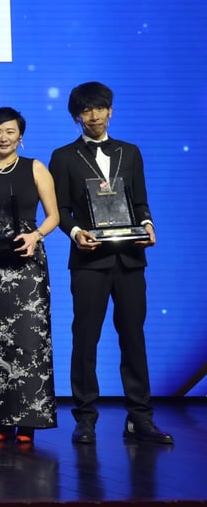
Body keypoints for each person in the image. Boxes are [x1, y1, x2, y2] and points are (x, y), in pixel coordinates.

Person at [48, 82, 172, 445]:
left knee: (133, 337)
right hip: (89, 261)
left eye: (100, 108)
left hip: (130, 258)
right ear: (76, 116)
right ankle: (85, 418)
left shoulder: (129, 152)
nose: (94, 116)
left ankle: (140, 417)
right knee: (85, 338)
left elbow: (140, 201)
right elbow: (60, 209)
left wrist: (147, 224)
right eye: (86, 111)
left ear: (110, 111)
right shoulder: (63, 156)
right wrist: (75, 233)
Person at [0, 107, 59, 444]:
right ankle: (0, 419)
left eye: (10, 131)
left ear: (20, 135)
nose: (3, 138)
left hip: (26, 267)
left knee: (29, 342)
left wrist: (36, 236)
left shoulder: (35, 168)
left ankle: (29, 419)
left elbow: (54, 216)